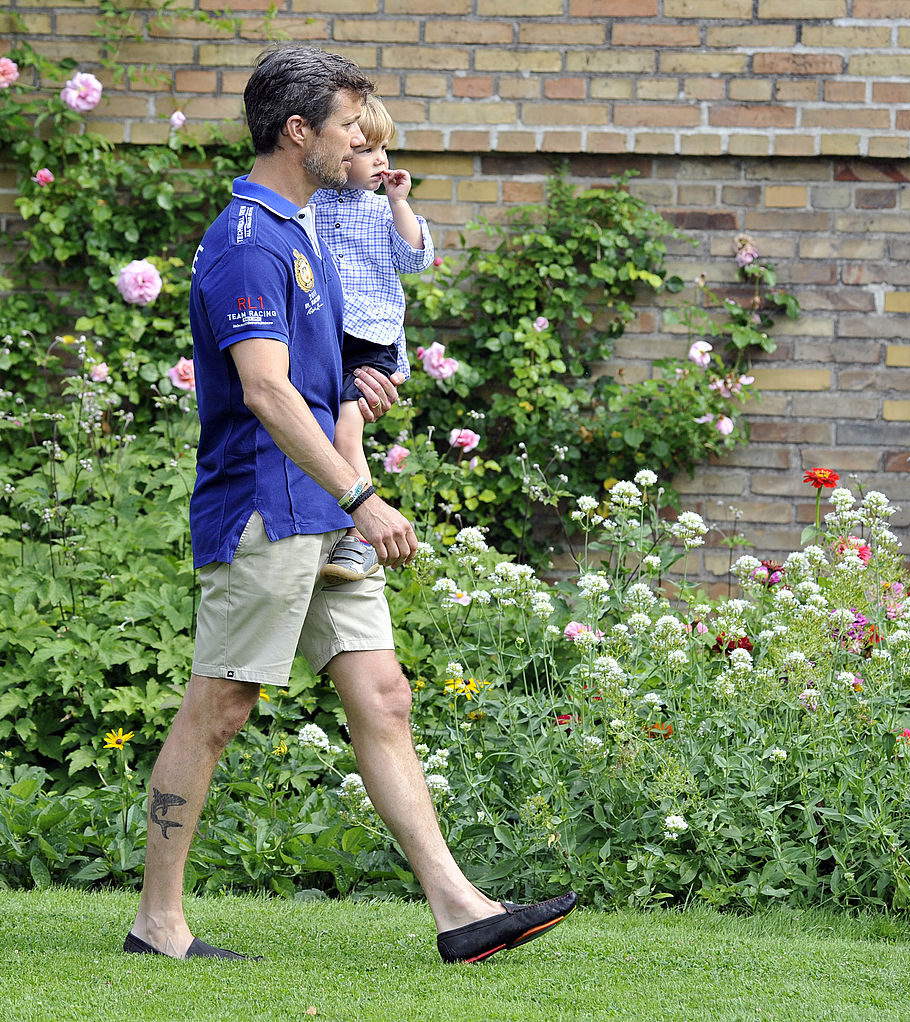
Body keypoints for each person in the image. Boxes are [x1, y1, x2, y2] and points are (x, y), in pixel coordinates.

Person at [123, 44, 576, 965]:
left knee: (384, 696)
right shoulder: (250, 242)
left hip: (323, 502)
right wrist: (362, 493)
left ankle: (458, 909)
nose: (358, 144)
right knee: (222, 706)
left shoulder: (306, 230)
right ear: (299, 133)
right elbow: (265, 392)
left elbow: (319, 379)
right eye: (343, 128)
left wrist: (360, 390)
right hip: (266, 506)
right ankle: (157, 923)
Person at [311, 95, 433, 584]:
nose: (380, 159)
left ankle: (359, 538)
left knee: (346, 427)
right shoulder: (311, 203)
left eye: (386, 149)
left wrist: (401, 203)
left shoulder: (382, 209)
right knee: (320, 427)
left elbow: (415, 260)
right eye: (367, 148)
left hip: (371, 338)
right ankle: (339, 529)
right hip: (327, 332)